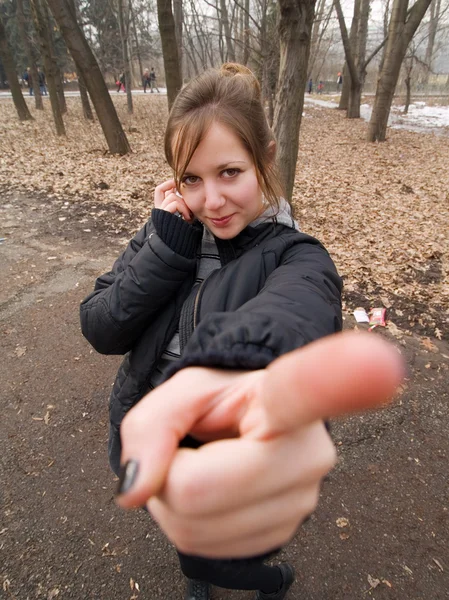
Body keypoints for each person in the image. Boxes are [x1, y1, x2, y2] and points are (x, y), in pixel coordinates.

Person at [80, 63, 403, 600]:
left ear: (265, 159)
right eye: (191, 178)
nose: (211, 201)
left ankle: (272, 580)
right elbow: (100, 327)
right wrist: (164, 248)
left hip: (229, 434)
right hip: (149, 422)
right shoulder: (167, 233)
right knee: (183, 522)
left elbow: (296, 307)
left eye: (229, 172)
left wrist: (232, 367)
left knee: (233, 543)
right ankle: (196, 574)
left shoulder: (294, 254)